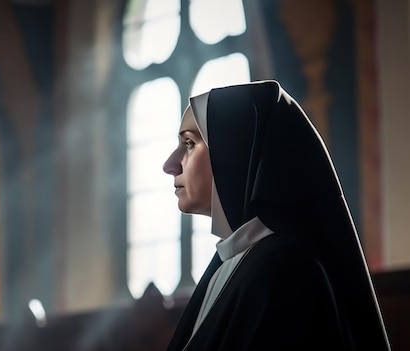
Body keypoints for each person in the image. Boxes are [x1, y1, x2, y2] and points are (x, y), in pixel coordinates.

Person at [162, 80, 390, 350]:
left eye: (189, 143)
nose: (170, 165)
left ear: (234, 150)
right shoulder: (230, 261)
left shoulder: (286, 270)